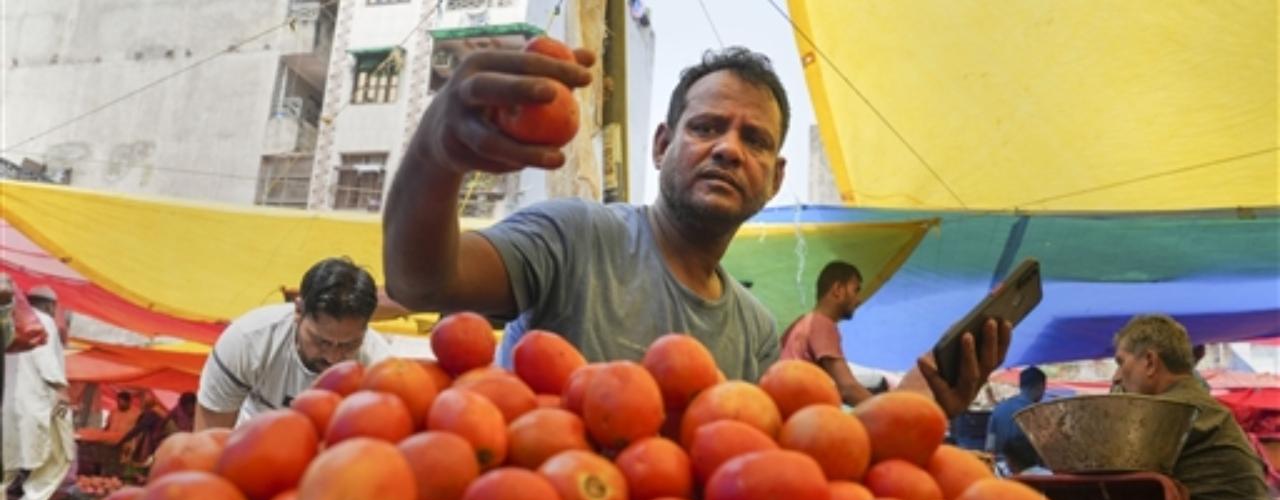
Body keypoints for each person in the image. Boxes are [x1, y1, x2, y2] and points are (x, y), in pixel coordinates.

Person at [383, 45, 1008, 406]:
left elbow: (784, 465)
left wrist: (917, 411)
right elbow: (421, 280)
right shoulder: (575, 237)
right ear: (662, 144)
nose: (729, 149)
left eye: (754, 139)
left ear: (775, 179)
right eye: (707, 127)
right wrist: (435, 156)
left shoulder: (756, 331)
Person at [1112, 315, 1276, 500]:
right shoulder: (1197, 405)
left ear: (1150, 361)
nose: (1116, 377)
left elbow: (1110, 469)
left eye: (1121, 362)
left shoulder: (1175, 410)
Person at [196, 257, 391, 429]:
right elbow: (208, 439)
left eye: (348, 345)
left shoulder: (377, 368)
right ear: (298, 311)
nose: (332, 358)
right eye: (321, 341)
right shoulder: (247, 341)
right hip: (249, 450)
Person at [0, 285, 73, 500]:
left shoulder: (7, 321)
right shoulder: (42, 321)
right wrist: (62, 391)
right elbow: (46, 362)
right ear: (52, 306)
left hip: (7, 403)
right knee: (61, 456)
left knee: (5, 465)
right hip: (40, 401)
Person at [780, 260, 872, 406]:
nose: (859, 300)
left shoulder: (800, 322)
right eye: (856, 290)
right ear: (838, 289)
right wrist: (887, 410)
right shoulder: (822, 324)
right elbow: (847, 388)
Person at [986, 365, 1046, 468]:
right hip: (1031, 474)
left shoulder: (998, 409)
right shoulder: (1037, 413)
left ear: (1021, 386)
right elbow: (1045, 451)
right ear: (1040, 386)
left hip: (1001, 470)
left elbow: (989, 447)